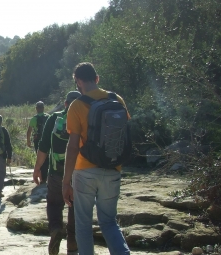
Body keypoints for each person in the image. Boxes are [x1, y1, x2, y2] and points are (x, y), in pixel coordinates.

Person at [63, 62, 130, 255]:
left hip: (84, 171)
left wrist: (66, 182)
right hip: (113, 168)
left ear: (78, 82)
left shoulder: (76, 106)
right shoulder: (117, 99)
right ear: (97, 79)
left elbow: (73, 146)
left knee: (83, 224)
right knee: (109, 221)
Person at [32, 93, 81, 255]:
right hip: (77, 173)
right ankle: (72, 242)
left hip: (56, 173)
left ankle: (55, 229)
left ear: (65, 104)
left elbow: (44, 146)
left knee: (53, 204)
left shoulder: (54, 118)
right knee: (74, 206)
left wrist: (37, 167)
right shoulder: (84, 118)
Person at [27, 101, 50, 184]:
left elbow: (29, 131)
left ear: (36, 109)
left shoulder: (34, 118)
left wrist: (28, 141)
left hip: (38, 140)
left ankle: (42, 178)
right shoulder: (48, 117)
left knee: (39, 158)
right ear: (43, 108)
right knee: (47, 158)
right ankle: (46, 177)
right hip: (48, 140)